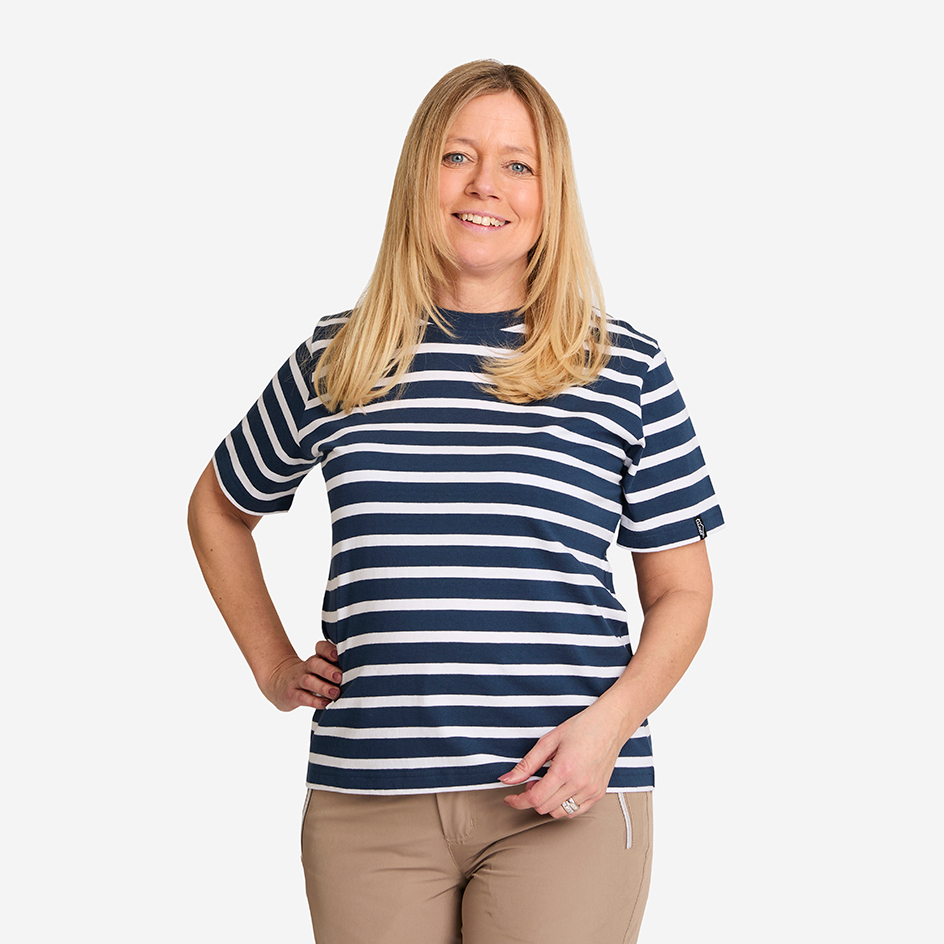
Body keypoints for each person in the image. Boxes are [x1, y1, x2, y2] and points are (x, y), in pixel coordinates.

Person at [188, 59, 722, 944]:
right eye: (457, 156)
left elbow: (684, 593)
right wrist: (272, 666)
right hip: (368, 805)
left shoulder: (622, 367)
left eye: (518, 165)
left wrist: (608, 730)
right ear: (418, 177)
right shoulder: (340, 356)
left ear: (551, 195)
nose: (484, 185)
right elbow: (218, 506)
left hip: (565, 797)